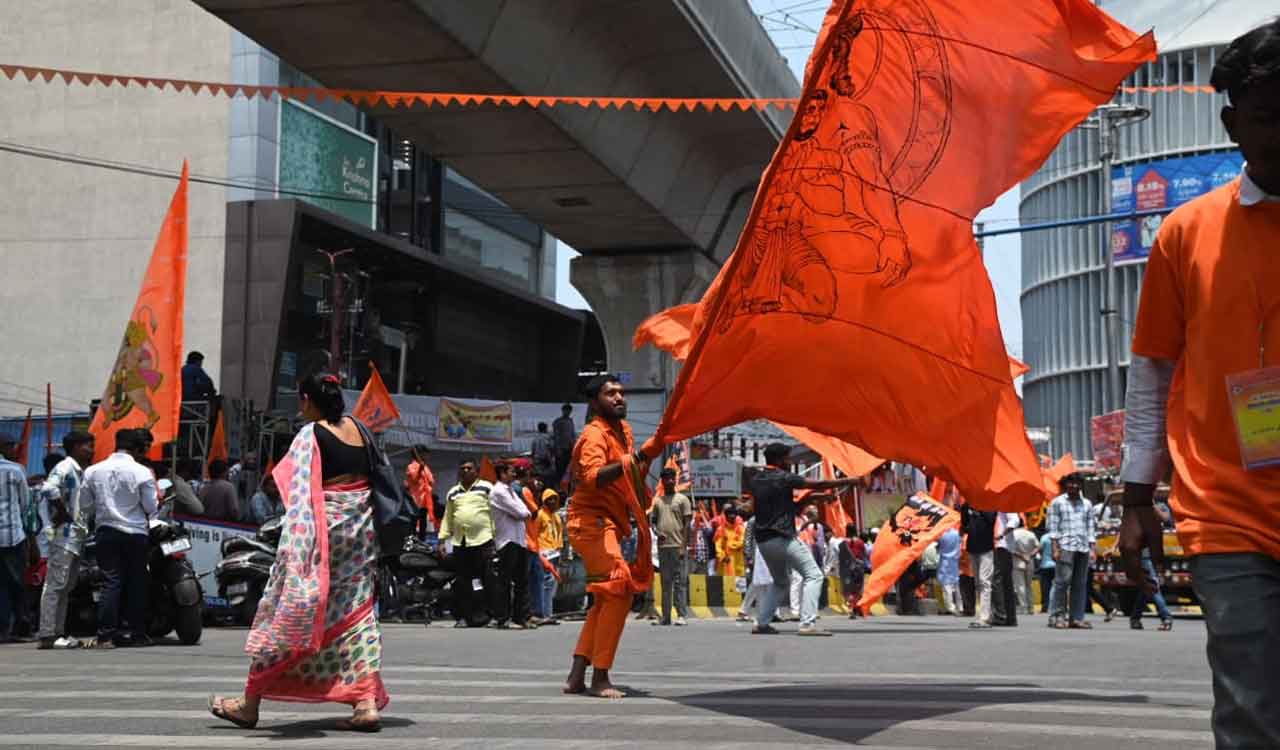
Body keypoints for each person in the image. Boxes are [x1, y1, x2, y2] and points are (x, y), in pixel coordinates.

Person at [1118, 28, 1280, 742]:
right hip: (1226, 511)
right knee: (1250, 709)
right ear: (1232, 121)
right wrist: (1134, 498)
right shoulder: (1184, 233)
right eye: (1270, 114)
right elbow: (1153, 370)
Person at [209, 372, 388, 731]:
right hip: (361, 532)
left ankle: (250, 703)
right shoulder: (360, 428)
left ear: (307, 400)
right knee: (356, 613)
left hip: (324, 533)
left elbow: (295, 488)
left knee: (291, 607)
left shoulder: (309, 435)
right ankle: (365, 702)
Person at [563, 375, 655, 699]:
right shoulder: (592, 435)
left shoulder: (625, 432)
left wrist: (648, 455)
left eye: (621, 392)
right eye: (610, 393)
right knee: (618, 590)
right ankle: (600, 676)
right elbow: (591, 479)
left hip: (611, 524)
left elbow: (631, 476)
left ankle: (577, 676)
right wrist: (637, 458)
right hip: (589, 523)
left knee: (605, 598)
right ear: (594, 402)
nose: (618, 397)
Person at [748, 443, 857, 636]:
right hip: (782, 537)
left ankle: (762, 623)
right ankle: (807, 623)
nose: (791, 463)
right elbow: (818, 483)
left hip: (763, 541)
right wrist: (850, 480)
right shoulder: (784, 477)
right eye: (788, 459)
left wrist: (813, 498)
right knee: (814, 575)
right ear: (780, 459)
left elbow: (786, 507)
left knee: (781, 581)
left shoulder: (757, 478)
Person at [82, 429, 157, 649]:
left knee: (110, 582)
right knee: (136, 582)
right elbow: (151, 507)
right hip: (136, 533)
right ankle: (137, 634)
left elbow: (85, 505)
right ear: (136, 448)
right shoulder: (142, 471)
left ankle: (105, 636)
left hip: (106, 531)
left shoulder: (93, 471)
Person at [35, 431, 94, 650]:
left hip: (76, 536)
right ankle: (47, 633)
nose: (91, 449)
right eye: (88, 445)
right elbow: (48, 488)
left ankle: (58, 632)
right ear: (76, 447)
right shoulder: (65, 467)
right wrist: (61, 511)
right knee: (55, 585)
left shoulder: (79, 471)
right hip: (64, 536)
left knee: (66, 586)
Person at [440, 459, 496, 629]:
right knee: (463, 582)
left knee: (487, 579)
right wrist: (442, 540)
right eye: (462, 468)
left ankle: (491, 615)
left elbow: (494, 513)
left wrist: (496, 538)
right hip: (460, 542)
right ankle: (465, 616)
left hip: (483, 540)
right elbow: (448, 517)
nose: (465, 471)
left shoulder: (487, 488)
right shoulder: (453, 492)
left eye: (469, 468)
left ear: (476, 471)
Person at [1047, 474, 1096, 629]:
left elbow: (1090, 528)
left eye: (1076, 483)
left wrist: (1092, 549)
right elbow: (1053, 529)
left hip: (1082, 547)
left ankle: (1076, 618)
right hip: (1065, 546)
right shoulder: (1057, 503)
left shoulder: (1087, 504)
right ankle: (1056, 616)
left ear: (1080, 485)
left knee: (1080, 584)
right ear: (1065, 485)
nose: (1073, 486)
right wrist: (1055, 548)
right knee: (1062, 582)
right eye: (1070, 483)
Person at [489, 461, 534, 630]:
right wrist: (521, 514)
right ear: (502, 474)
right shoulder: (499, 491)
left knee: (521, 580)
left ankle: (520, 617)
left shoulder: (511, 491)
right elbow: (522, 512)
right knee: (505, 581)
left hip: (519, 539)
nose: (514, 474)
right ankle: (503, 618)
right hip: (506, 541)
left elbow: (524, 510)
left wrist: (522, 514)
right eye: (511, 471)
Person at [0, 438, 33, 644]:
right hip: (13, 535)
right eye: (11, 446)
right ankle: (21, 627)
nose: (15, 449)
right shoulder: (15, 470)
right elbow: (25, 504)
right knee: (17, 584)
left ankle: (4, 629)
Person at [650, 468, 692, 627]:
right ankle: (666, 617)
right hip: (663, 547)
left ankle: (681, 615)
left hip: (678, 546)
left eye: (672, 478)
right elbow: (653, 523)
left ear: (675, 480)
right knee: (665, 582)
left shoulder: (682, 499)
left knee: (680, 581)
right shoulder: (658, 501)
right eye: (666, 478)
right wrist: (657, 532)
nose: (670, 481)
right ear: (662, 481)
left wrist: (683, 546)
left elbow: (687, 524)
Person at [961, 504, 997, 629]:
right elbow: (964, 525)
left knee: (984, 582)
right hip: (972, 547)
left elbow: (991, 519)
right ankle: (985, 613)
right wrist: (966, 509)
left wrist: (978, 507)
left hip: (986, 548)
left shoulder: (989, 505)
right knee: (977, 583)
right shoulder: (967, 506)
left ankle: (985, 617)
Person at [536, 488, 564, 621]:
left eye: (554, 499)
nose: (552, 501)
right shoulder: (540, 514)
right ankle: (545, 614)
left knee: (553, 584)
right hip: (544, 551)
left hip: (555, 552)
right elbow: (534, 533)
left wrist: (560, 551)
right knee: (547, 582)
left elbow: (559, 534)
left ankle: (549, 613)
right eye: (549, 499)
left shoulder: (556, 516)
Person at [991, 511, 1022, 627]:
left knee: (997, 581)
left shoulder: (1005, 505)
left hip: (1002, 546)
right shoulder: (998, 506)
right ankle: (1010, 617)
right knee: (1006, 582)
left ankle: (1001, 615)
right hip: (1002, 546)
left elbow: (1015, 520)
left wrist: (1002, 534)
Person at [405, 445, 436, 529]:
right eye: (425, 454)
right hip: (416, 499)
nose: (427, 456)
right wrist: (420, 469)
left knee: (423, 524)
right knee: (413, 523)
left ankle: (422, 539)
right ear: (419, 454)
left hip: (425, 500)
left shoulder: (426, 467)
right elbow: (414, 479)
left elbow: (431, 481)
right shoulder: (411, 466)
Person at [1010, 525, 1039, 617]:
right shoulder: (1031, 534)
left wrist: (1022, 556)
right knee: (1028, 586)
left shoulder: (1013, 534)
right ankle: (1031, 608)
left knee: (1020, 586)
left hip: (1017, 563)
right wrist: (1029, 555)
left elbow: (1011, 550)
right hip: (1029, 562)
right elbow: (1038, 547)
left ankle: (1024, 607)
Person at [715, 504, 747, 578]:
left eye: (734, 514)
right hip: (726, 562)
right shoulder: (720, 530)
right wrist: (722, 556)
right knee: (727, 585)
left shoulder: (741, 529)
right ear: (726, 516)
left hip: (738, 561)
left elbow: (742, 542)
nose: (732, 516)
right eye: (730, 514)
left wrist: (730, 545)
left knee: (739, 585)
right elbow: (718, 546)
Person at [551, 404, 577, 488]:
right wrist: (558, 449)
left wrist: (574, 447)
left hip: (570, 449)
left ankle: (567, 486)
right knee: (560, 469)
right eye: (566, 410)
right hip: (561, 449)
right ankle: (559, 486)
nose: (567, 412)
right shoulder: (558, 422)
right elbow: (556, 436)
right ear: (563, 411)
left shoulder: (570, 421)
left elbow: (572, 435)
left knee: (569, 469)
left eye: (569, 411)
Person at [531, 422, 558, 488]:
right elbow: (553, 449)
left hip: (537, 464)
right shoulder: (548, 438)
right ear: (545, 429)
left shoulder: (535, 439)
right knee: (549, 482)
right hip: (547, 464)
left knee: (539, 482)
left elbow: (533, 452)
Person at [1036, 530, 1056, 614]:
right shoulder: (1059, 536)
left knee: (1045, 588)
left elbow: (1039, 549)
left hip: (1045, 565)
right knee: (1056, 587)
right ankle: (1055, 607)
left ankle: (1045, 607)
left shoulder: (1044, 537)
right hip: (1056, 565)